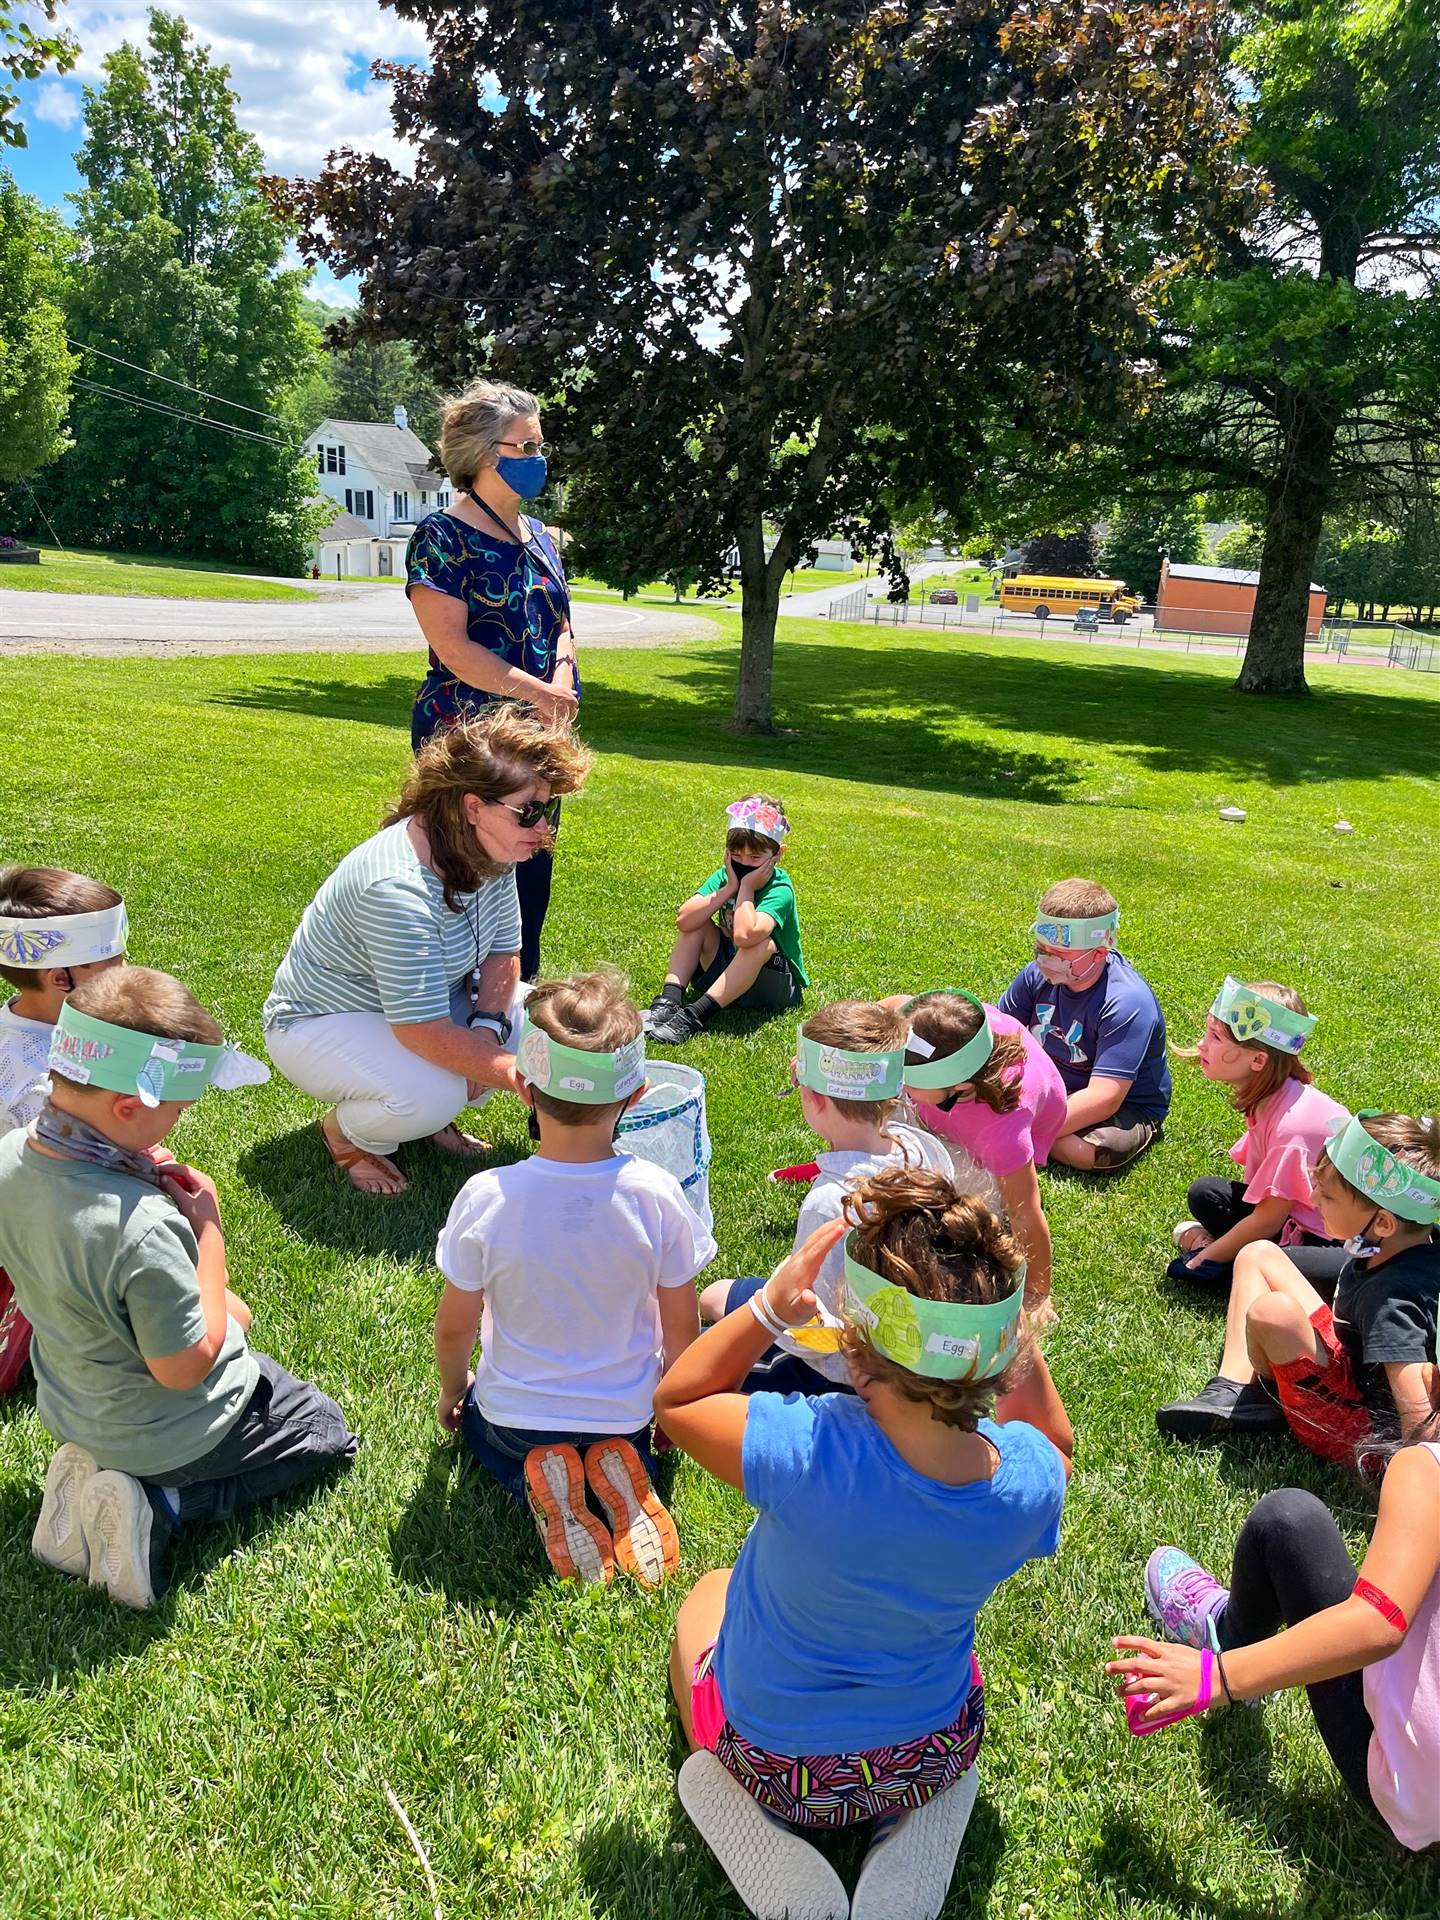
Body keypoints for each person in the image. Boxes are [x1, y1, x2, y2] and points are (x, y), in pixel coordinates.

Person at [658, 1169, 1072, 1920]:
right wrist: (1011, 1342)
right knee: (951, 1662)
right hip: (927, 1754)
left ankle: (755, 1813)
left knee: (705, 1598)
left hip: (776, 1765)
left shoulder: (805, 1447)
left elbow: (679, 1399)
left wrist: (763, 1308)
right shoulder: (1027, 1486)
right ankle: (908, 1818)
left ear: (854, 1353)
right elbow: (1054, 1442)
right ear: (1000, 1351)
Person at [0, 967, 358, 1610]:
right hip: (166, 1431)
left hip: (72, 1407)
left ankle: (87, 1481)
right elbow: (186, 1368)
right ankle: (160, 1503)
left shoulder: (8, 1161)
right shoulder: (142, 1228)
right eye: (177, 1109)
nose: (180, 1121)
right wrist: (209, 1232)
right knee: (322, 1431)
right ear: (128, 1107)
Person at [433, 971, 715, 1588]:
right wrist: (672, 1409)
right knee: (620, 1443)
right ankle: (622, 1481)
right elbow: (680, 1327)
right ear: (636, 1095)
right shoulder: (658, 1196)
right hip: (627, 1413)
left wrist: (456, 1391)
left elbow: (455, 1326)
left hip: (515, 1418)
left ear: (526, 1090)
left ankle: (534, 1479)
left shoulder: (487, 1196)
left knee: (493, 1434)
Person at [264, 707, 591, 1196]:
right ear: (473, 807)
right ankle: (347, 1135)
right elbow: (421, 1031)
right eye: (530, 811)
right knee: (435, 1091)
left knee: (547, 1031)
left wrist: (485, 1035)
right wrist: (521, 1078)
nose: (545, 829)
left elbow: (504, 956)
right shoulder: (396, 887)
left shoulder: (493, 850)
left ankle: (428, 1120)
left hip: (420, 1011)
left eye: (551, 809)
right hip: (322, 1021)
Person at [1111, 1389, 1440, 1850]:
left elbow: (1378, 1623)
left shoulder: (1429, 1469)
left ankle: (1229, 1638)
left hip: (1418, 1798)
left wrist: (1218, 1679)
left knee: (1288, 1522)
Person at [405, 381, 580, 980]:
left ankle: (515, 993)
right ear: (485, 455)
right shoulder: (442, 536)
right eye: (526, 447)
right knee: (462, 869)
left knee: (530, 869)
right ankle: (446, 999)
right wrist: (538, 692)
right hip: (467, 741)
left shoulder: (544, 539)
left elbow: (560, 624)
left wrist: (560, 681)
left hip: (537, 740)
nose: (539, 459)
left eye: (540, 445)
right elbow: (452, 646)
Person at [697, 999, 958, 1394]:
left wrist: (767, 1322)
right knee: (718, 1296)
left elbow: (813, 1328)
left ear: (815, 1100)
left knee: (707, 1322)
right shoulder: (922, 1148)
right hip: (906, 1326)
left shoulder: (831, 1203)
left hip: (842, 1367)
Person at [1157, 1111, 1439, 1452]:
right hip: (1355, 1362)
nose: (1313, 1198)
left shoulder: (1392, 1303)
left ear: (1382, 1223)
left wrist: (1413, 1477)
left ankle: (1265, 1396)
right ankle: (1233, 1389)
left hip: (1353, 1425)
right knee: (1258, 1254)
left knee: (1272, 1313)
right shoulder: (1414, 1242)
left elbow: (1420, 1423)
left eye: (1328, 1196)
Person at [0, 866, 129, 1395]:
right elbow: (63, 1185)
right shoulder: (41, 1080)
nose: (128, 969)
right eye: (115, 961)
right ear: (62, 979)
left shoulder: (18, 1024)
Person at [893, 986, 1067, 1324]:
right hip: (946, 1109)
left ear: (958, 1089)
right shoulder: (950, 1027)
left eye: (908, 1081)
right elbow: (889, 1008)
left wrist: (1036, 1293)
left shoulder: (1001, 1131)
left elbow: (1025, 1215)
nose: (899, 1082)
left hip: (977, 1150)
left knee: (950, 1211)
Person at [1165, 976, 1346, 1289]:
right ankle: (1240, 1262)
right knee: (1205, 1193)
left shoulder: (1293, 1124)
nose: (1201, 1045)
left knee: (1194, 1270)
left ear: (1258, 1060)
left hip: (1333, 1241)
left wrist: (1202, 1259)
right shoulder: (1271, 1098)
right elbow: (1261, 1199)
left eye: (1216, 1038)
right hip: (1293, 1220)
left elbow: (1268, 1219)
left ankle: (1230, 1263)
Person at [999, 879, 1169, 1172]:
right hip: (1051, 1086)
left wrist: (1017, 1129)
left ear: (1099, 953)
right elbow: (1001, 1036)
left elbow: (1104, 1097)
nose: (1046, 960)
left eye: (1060, 955)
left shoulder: (1126, 1001)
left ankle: (1025, 1129)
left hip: (1123, 1105)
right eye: (1041, 949)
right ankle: (1028, 1126)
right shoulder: (1035, 976)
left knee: (1085, 1151)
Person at [644, 795, 807, 1046]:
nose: (743, 863)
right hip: (729, 969)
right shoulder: (725, 877)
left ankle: (694, 1015)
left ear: (777, 854)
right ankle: (669, 1000)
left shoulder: (779, 889)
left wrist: (746, 888)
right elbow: (684, 921)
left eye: (755, 858)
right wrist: (730, 886)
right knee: (697, 923)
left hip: (774, 988)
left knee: (762, 944)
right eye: (736, 855)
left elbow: (745, 936)